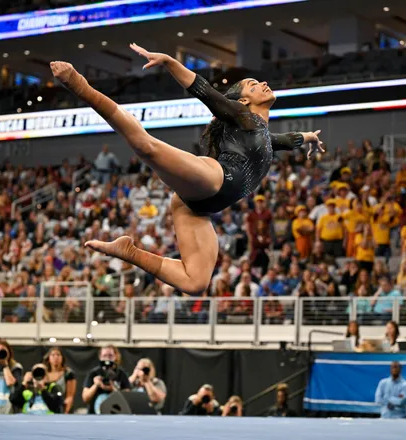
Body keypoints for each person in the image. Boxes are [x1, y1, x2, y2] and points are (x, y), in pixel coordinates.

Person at [51, 45, 323, 295]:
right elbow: (202, 89)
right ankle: (80, 86)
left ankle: (128, 251)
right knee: (147, 147)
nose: (263, 83)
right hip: (215, 178)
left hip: (198, 206)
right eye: (253, 85)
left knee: (195, 283)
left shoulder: (263, 134)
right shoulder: (241, 116)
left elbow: (287, 140)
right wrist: (170, 62)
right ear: (242, 102)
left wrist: (310, 136)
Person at [82, 345, 131, 414]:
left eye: (110, 356)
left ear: (115, 357)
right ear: (100, 357)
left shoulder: (121, 374)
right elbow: (85, 398)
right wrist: (96, 385)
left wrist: (113, 388)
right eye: (104, 356)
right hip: (94, 415)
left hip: (116, 414)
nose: (107, 359)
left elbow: (127, 398)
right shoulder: (93, 373)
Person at [43, 347, 77, 414]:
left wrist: (64, 412)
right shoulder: (43, 373)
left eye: (58, 355)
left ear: (62, 358)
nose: (56, 357)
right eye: (53, 355)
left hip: (62, 408)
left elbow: (70, 396)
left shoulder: (68, 373)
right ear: (48, 358)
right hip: (44, 408)